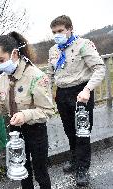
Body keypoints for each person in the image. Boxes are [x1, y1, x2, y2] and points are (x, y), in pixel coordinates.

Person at [0, 31, 54, 189]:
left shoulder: (36, 76)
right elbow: (0, 106)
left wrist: (24, 114)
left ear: (14, 54)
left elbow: (47, 110)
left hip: (35, 130)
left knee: (40, 170)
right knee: (22, 169)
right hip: (15, 131)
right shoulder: (2, 79)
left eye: (1, 60)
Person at [47, 15, 106, 187]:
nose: (57, 34)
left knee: (82, 131)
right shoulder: (54, 50)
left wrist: (88, 89)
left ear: (70, 28)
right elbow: (51, 74)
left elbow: (99, 68)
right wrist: (46, 90)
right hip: (62, 93)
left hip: (81, 92)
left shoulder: (83, 45)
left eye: (60, 31)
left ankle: (83, 168)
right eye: (54, 32)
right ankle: (74, 159)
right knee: (69, 130)